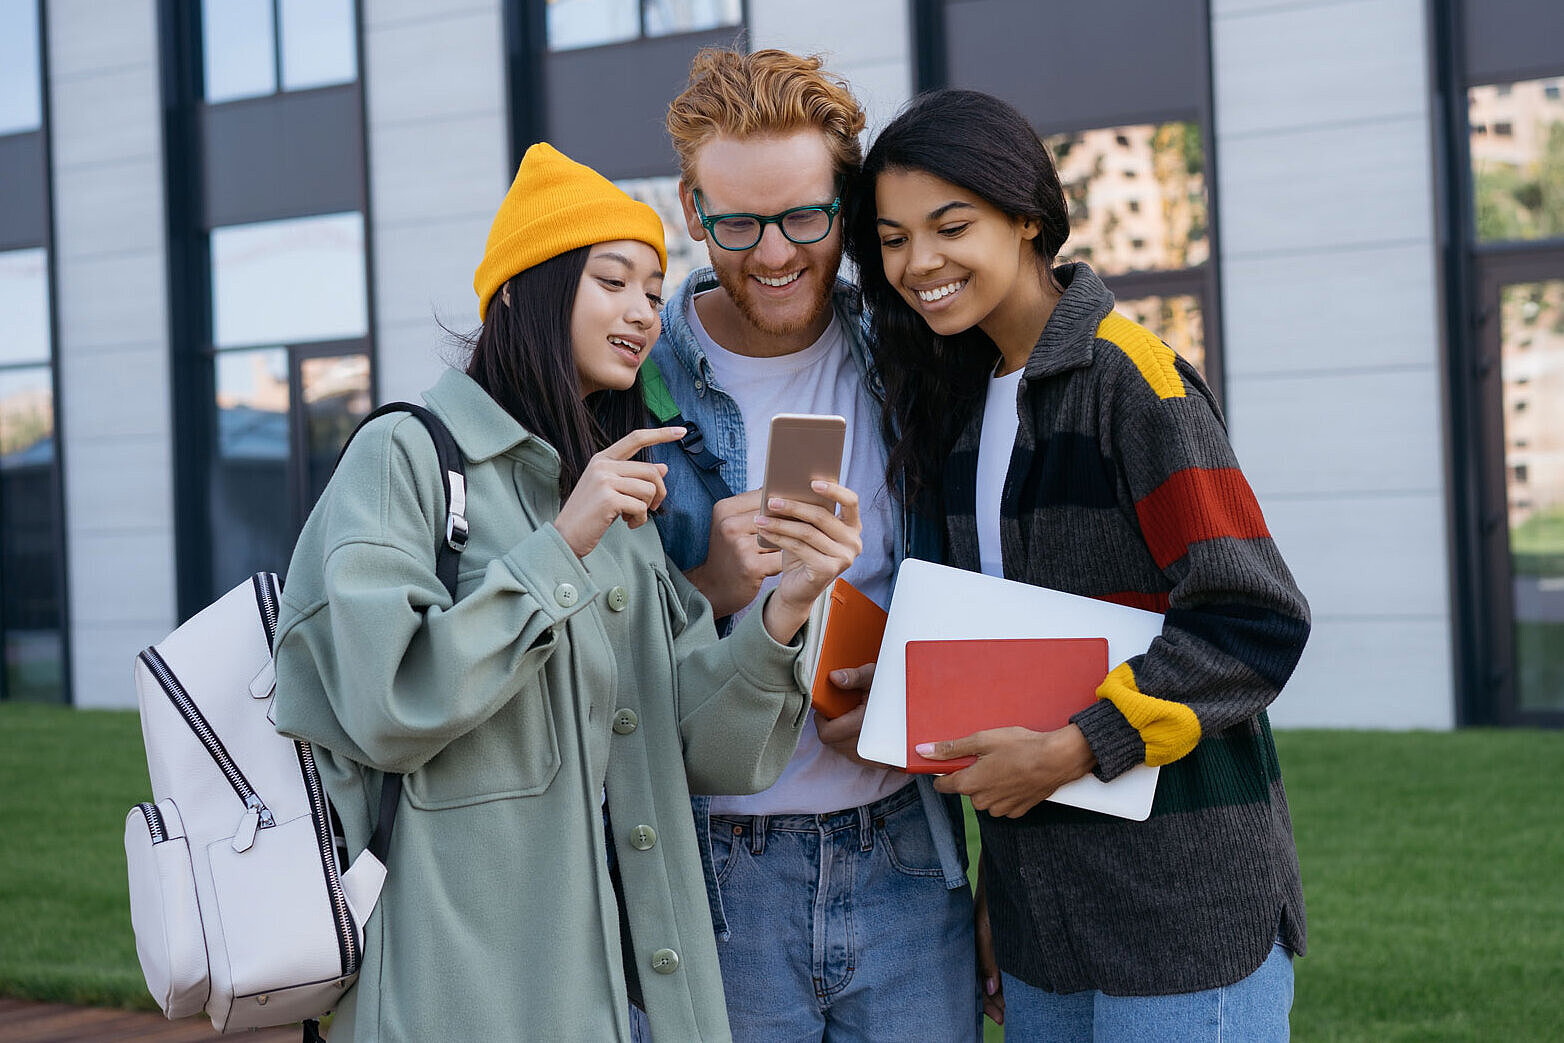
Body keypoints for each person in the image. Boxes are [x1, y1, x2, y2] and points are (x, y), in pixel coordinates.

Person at [271, 142, 863, 1042]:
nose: (640, 312)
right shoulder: (404, 456)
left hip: (620, 991)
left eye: (653, 290)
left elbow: (699, 741)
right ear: (521, 291)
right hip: (453, 987)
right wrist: (562, 547)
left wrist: (787, 608)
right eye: (611, 281)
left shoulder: (610, 491)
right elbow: (386, 702)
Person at [845, 88, 1312, 1041]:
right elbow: (1002, 671)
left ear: (1026, 219)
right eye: (892, 239)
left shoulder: (1131, 380)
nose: (918, 263)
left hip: (1184, 918)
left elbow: (1253, 620)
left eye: (950, 226)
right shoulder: (963, 411)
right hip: (1041, 926)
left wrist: (1072, 749)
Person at [642, 48, 979, 1043]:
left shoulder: (920, 355)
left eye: (804, 216)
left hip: (906, 857)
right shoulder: (631, 378)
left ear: (847, 198)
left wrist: (910, 696)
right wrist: (707, 584)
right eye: (737, 222)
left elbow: (991, 583)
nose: (775, 252)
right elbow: (578, 652)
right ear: (691, 207)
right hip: (713, 868)